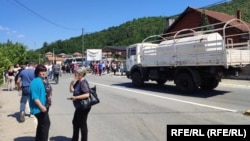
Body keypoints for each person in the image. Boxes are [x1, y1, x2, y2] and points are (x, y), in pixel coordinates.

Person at [29, 64, 51, 141]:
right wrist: (41, 107)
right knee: (45, 124)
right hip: (40, 107)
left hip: (44, 106)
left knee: (41, 124)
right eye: (41, 71)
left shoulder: (43, 80)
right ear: (37, 72)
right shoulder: (36, 81)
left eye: (45, 70)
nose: (44, 72)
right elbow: (34, 97)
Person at [69, 67, 91, 141]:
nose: (75, 75)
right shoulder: (78, 82)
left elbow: (87, 94)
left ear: (81, 74)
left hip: (83, 106)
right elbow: (72, 90)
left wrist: (76, 98)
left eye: (76, 73)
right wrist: (71, 83)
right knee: (75, 122)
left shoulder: (83, 82)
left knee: (82, 124)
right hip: (79, 106)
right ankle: (75, 138)